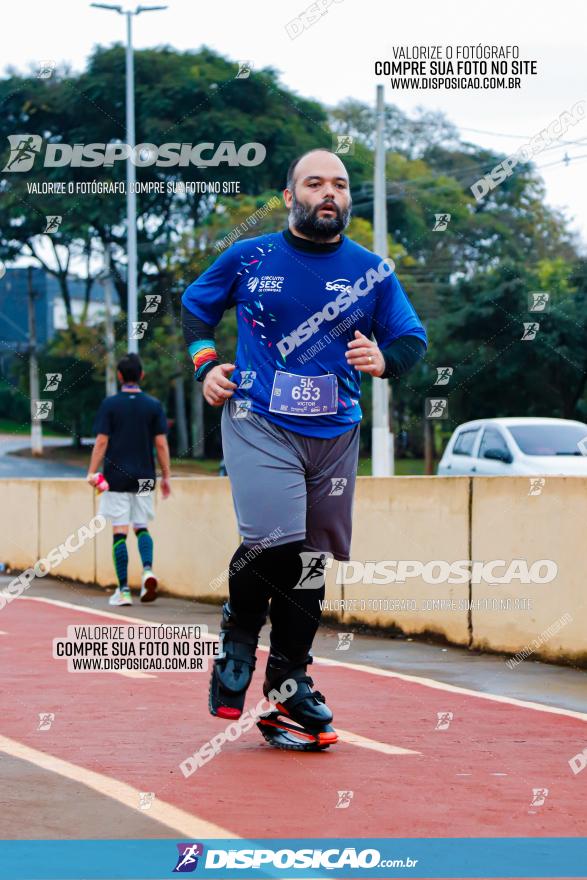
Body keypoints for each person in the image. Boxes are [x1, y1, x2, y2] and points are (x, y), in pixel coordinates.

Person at [181, 148, 427, 750]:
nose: (328, 193)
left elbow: (411, 337)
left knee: (312, 561)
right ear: (289, 196)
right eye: (313, 183)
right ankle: (239, 637)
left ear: (348, 199)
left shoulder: (372, 270)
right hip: (259, 417)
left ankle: (289, 680)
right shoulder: (251, 256)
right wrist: (205, 365)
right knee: (277, 541)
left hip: (336, 431)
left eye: (339, 185)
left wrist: (385, 359)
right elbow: (195, 307)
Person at [87, 353, 171, 606]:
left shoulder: (110, 405)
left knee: (120, 531)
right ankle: (147, 570)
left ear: (120, 376)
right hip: (145, 477)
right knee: (141, 526)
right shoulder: (153, 405)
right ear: (142, 375)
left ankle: (123, 590)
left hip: (116, 478)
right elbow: (161, 444)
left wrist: (91, 471)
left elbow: (102, 442)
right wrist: (166, 476)